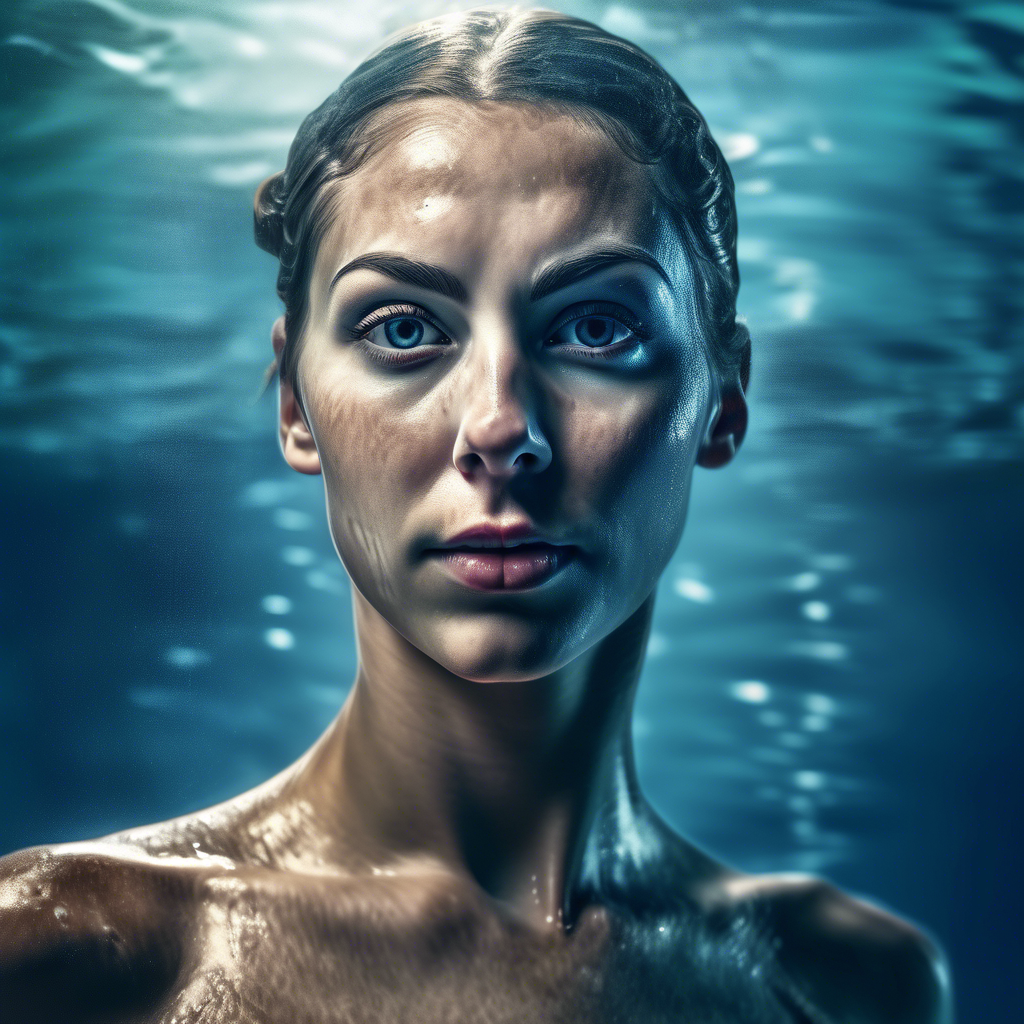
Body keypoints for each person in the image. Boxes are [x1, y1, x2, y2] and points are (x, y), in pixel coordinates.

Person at [0, 8, 953, 1022]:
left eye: (594, 326)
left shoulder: (851, 986)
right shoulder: (62, 958)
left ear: (720, 399)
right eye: (404, 328)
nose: (500, 427)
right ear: (293, 401)